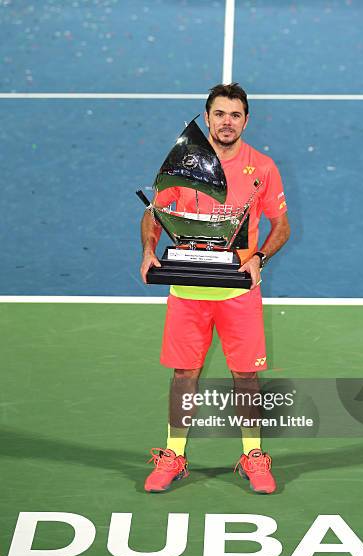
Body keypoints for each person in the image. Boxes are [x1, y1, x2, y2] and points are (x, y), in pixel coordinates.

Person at [140, 83, 290, 494]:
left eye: (235, 115)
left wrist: (259, 258)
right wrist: (149, 250)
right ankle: (174, 456)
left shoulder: (262, 167)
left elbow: (282, 227)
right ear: (207, 117)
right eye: (220, 114)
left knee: (246, 376)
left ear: (246, 120)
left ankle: (253, 456)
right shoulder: (183, 163)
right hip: (188, 290)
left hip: (238, 291)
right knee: (184, 374)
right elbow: (154, 214)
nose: (227, 122)